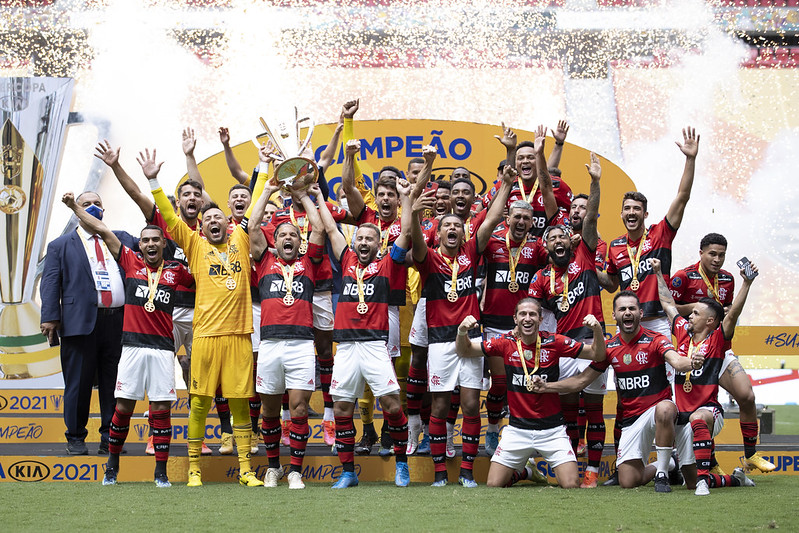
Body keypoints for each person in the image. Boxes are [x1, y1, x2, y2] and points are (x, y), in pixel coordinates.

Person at [143, 147, 267, 487]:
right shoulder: (195, 244)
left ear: (229, 222)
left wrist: (266, 167)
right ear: (202, 225)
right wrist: (154, 180)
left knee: (241, 407)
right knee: (198, 405)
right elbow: (169, 218)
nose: (213, 221)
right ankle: (194, 470)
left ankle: (245, 471)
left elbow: (255, 208)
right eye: (208, 219)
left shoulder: (241, 238)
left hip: (240, 335)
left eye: (219, 218)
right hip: (207, 337)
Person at [93, 138, 219, 456]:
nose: (192, 198)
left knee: (198, 376)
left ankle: (196, 436)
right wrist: (115, 165)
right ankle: (154, 435)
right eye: (186, 194)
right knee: (158, 373)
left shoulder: (211, 228)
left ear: (203, 201)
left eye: (196, 194)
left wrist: (191, 156)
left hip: (203, 313)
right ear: (176, 202)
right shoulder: (164, 224)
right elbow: (137, 194)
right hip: (168, 311)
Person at [62, 193, 193, 487]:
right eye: (145, 240)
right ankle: (112, 466)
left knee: (161, 411)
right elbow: (103, 230)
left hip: (162, 350)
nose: (149, 244)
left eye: (155, 240)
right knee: (123, 409)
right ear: (140, 244)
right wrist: (73, 208)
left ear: (163, 244)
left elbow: (204, 276)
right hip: (132, 348)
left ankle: (160, 473)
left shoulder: (176, 272)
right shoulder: (129, 260)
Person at [409, 146, 514, 487]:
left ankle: (467, 473)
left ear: (463, 232)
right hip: (440, 342)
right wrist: (412, 212)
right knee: (439, 408)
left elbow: (495, 217)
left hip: (470, 342)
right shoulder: (428, 260)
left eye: (457, 225)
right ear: (438, 233)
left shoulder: (471, 251)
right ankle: (440, 474)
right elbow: (414, 239)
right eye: (446, 226)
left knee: (470, 405)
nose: (452, 228)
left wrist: (507, 186)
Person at [532, 290, 701, 492]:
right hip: (631, 420)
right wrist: (547, 387)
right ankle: (670, 463)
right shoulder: (610, 348)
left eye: (632, 308)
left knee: (665, 408)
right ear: (614, 315)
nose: (627, 312)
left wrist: (692, 362)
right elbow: (580, 381)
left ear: (641, 313)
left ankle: (662, 473)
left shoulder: (656, 340)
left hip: (656, 411)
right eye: (622, 309)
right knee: (628, 481)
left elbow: (676, 361)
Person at [318, 173, 418, 487]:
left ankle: (402, 465)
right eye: (359, 238)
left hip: (375, 345)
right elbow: (331, 227)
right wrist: (313, 195)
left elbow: (404, 233)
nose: (363, 243)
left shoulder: (390, 264)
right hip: (346, 347)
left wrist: (406, 199)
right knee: (343, 409)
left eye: (369, 239)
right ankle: (348, 473)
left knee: (390, 405)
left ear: (379, 244)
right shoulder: (346, 257)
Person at [456, 299, 606, 488]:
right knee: (493, 485)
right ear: (515, 319)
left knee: (571, 485)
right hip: (518, 430)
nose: (528, 318)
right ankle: (525, 471)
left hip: (552, 430)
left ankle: (527, 469)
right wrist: (462, 331)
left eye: (533, 314)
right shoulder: (505, 343)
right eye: (523, 314)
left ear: (541, 319)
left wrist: (598, 331)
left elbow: (597, 355)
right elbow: (465, 350)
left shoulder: (554, 341)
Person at [528, 150, 607, 488]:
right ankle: (573, 463)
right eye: (552, 239)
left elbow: (588, 219)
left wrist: (594, 182)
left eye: (563, 237)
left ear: (571, 242)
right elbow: (529, 314)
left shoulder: (586, 256)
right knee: (569, 408)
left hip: (592, 341)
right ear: (545, 247)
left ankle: (592, 469)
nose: (558, 241)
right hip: (566, 346)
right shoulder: (541, 278)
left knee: (594, 408)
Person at [40, 191, 137, 456]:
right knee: (78, 383)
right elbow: (50, 282)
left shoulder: (121, 238)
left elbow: (155, 243)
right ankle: (75, 437)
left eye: (98, 203)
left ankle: (111, 438)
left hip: (118, 321)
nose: (94, 207)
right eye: (87, 204)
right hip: (79, 323)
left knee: (114, 383)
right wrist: (50, 316)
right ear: (76, 210)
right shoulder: (60, 245)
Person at [669, 233, 775, 473]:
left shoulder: (728, 279)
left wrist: (723, 311)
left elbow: (731, 314)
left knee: (746, 396)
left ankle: (751, 455)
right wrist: (704, 309)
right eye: (712, 254)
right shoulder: (683, 277)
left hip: (720, 350)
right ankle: (712, 463)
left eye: (722, 255)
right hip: (692, 352)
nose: (717, 260)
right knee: (701, 406)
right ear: (701, 253)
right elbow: (669, 308)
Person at [651, 258, 757, 495]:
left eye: (696, 313)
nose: (689, 315)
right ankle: (733, 480)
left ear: (710, 321)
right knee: (665, 409)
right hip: (683, 414)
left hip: (709, 412)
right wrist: (658, 273)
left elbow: (731, 316)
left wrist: (746, 284)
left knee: (699, 417)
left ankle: (702, 481)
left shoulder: (718, 339)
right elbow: (668, 303)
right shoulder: (681, 331)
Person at [250, 181, 324, 490]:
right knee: (269, 411)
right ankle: (272, 468)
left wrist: (305, 195)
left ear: (300, 241)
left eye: (293, 234)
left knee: (299, 410)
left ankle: (294, 470)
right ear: (274, 241)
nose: (288, 238)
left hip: (301, 345)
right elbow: (253, 225)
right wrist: (266, 190)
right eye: (282, 235)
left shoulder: (309, 262)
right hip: (269, 344)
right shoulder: (263, 261)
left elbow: (319, 230)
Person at [599, 127, 700, 340]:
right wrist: (585, 260)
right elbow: (611, 285)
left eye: (636, 209)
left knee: (664, 374)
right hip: (626, 322)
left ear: (645, 214)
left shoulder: (660, 234)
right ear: (621, 215)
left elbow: (682, 197)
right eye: (627, 209)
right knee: (623, 373)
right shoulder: (616, 245)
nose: (631, 212)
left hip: (658, 320)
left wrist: (690, 160)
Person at [480, 199, 548, 455]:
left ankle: (526, 433)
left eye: (526, 219)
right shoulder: (493, 242)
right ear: (508, 218)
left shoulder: (536, 246)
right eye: (516, 217)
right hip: (496, 323)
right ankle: (493, 428)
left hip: (527, 326)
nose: (520, 222)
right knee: (499, 383)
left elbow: (555, 262)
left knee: (525, 382)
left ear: (532, 223)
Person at [483, 122, 572, 236]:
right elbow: (483, 210)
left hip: (543, 249)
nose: (525, 161)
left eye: (531, 157)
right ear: (516, 162)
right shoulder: (506, 185)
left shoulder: (556, 185)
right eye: (520, 158)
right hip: (512, 248)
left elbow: (576, 215)